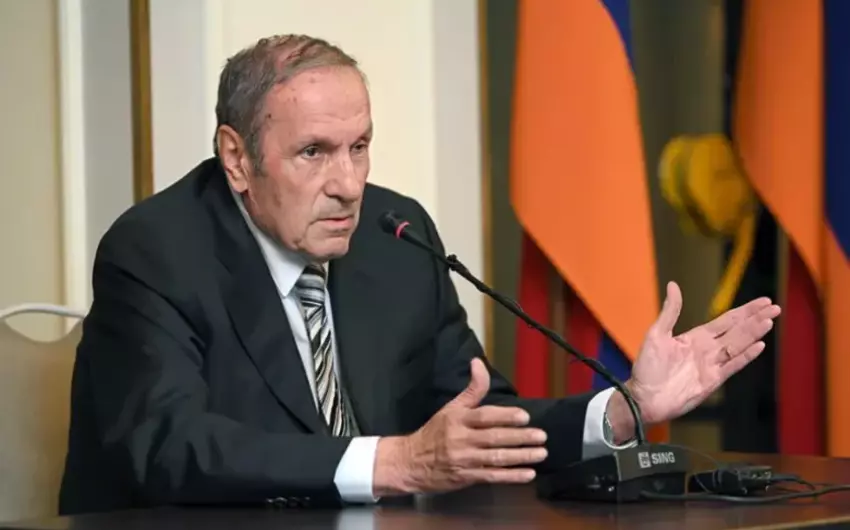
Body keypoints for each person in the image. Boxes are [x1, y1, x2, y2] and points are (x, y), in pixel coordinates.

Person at [58, 34, 780, 515]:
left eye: (359, 146)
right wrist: (395, 463)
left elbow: (479, 424)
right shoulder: (155, 251)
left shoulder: (392, 234)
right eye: (314, 153)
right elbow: (172, 448)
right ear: (237, 158)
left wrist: (624, 407)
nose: (349, 185)